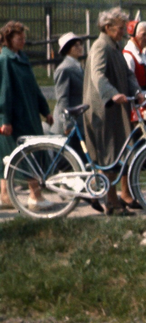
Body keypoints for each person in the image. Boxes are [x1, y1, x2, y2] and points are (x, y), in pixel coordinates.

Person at [83, 8, 146, 213]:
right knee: (108, 155)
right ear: (107, 27)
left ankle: (111, 200)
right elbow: (98, 75)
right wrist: (112, 94)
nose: (124, 32)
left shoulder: (114, 46)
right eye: (121, 28)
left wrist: (137, 91)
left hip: (114, 109)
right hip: (103, 110)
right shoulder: (101, 47)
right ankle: (111, 202)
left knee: (115, 154)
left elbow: (128, 75)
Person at [0, 21, 53, 211]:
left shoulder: (21, 58)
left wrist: (45, 110)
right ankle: (35, 195)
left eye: (23, 37)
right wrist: (5, 119)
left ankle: (5, 195)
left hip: (29, 113)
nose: (23, 41)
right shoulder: (5, 60)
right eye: (19, 37)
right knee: (22, 154)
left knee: (15, 154)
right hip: (16, 117)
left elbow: (34, 87)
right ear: (9, 39)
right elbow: (4, 91)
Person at [53, 33, 86, 148]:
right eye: (75, 46)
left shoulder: (78, 66)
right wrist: (67, 123)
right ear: (67, 49)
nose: (80, 48)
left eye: (80, 45)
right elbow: (62, 98)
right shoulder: (64, 69)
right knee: (66, 161)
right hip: (69, 123)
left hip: (78, 121)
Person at [123, 20, 146, 98]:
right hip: (136, 100)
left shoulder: (142, 55)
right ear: (134, 36)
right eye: (144, 35)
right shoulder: (128, 56)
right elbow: (128, 83)